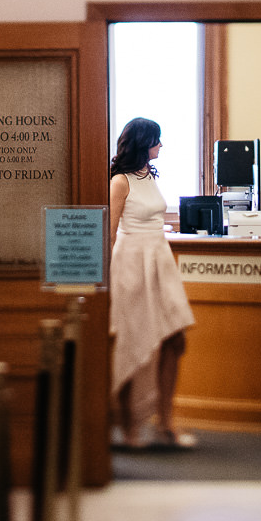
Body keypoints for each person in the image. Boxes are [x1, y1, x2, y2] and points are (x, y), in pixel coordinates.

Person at [108, 116, 197, 450]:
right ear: (143, 142)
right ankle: (130, 427)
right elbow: (111, 230)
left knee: (176, 340)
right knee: (134, 343)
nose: (161, 145)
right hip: (131, 265)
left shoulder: (150, 175)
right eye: (157, 139)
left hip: (159, 261)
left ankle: (165, 422)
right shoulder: (120, 181)